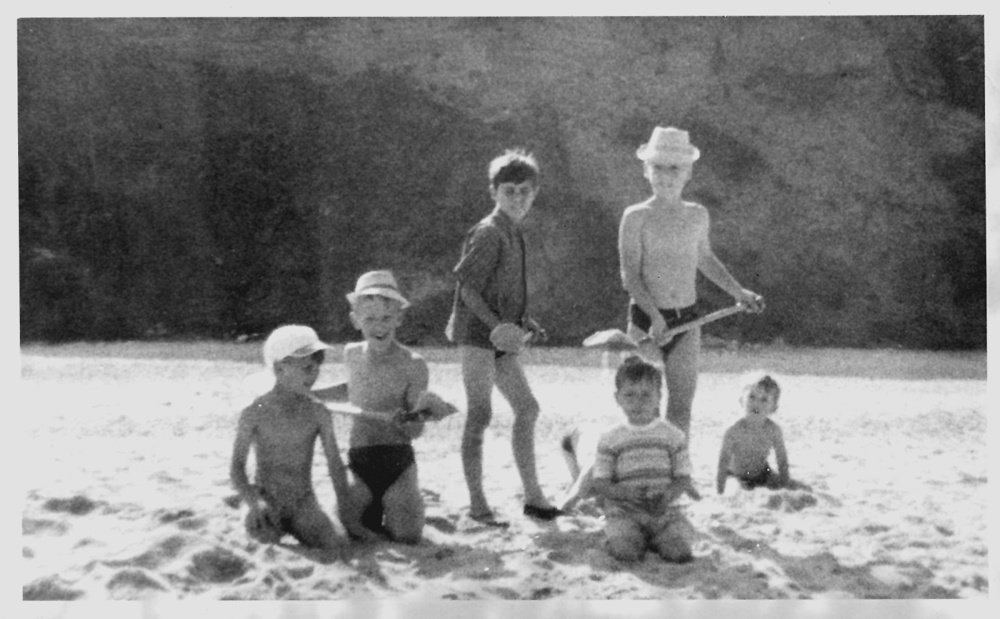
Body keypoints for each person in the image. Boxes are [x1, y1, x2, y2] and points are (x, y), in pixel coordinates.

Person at [618, 126, 765, 440]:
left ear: (688, 173)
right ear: (646, 170)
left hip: (688, 319)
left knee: (682, 407)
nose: (666, 175)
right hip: (646, 322)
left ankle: (677, 472)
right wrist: (655, 318)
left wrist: (739, 292)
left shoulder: (698, 215)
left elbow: (706, 259)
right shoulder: (635, 217)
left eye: (675, 168)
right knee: (645, 409)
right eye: (658, 167)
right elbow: (629, 276)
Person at [445, 149, 560, 526]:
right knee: (479, 414)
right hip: (479, 335)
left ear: (535, 193)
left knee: (527, 409)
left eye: (525, 191)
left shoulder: (515, 232)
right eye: (509, 190)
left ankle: (532, 496)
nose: (517, 198)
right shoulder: (490, 232)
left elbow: (503, 289)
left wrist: (525, 320)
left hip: (503, 336)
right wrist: (497, 326)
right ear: (494, 191)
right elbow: (467, 289)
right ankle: (478, 505)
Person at [316, 270, 450, 543]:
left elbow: (415, 429)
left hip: (397, 460)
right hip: (360, 461)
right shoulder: (351, 354)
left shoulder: (413, 364)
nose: (379, 325)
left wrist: (416, 419)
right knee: (343, 525)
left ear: (399, 318)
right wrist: (311, 394)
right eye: (370, 319)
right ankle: (374, 506)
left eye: (387, 318)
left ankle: (401, 500)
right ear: (356, 320)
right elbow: (351, 389)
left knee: (408, 535)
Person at [229, 324, 361, 557]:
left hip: (303, 502)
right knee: (264, 543)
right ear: (280, 369)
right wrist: (253, 501)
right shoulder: (255, 411)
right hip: (266, 499)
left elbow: (334, 464)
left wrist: (347, 511)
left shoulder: (318, 412)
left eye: (317, 367)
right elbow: (237, 467)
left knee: (337, 543)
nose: (314, 375)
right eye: (307, 368)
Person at [591, 356, 700, 563]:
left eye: (646, 395)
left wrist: (668, 495)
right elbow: (600, 481)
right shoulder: (610, 438)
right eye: (629, 395)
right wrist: (622, 493)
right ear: (618, 398)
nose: (637, 402)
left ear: (659, 397)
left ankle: (658, 539)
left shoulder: (673, 435)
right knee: (625, 552)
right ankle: (634, 540)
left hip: (665, 513)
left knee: (679, 552)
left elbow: (683, 477)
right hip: (625, 511)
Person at [716, 371, 809, 494]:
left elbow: (782, 461)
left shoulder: (773, 430)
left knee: (801, 489)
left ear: (773, 407)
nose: (756, 403)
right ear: (741, 400)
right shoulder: (733, 430)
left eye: (764, 400)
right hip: (735, 476)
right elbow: (722, 464)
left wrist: (784, 486)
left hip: (762, 473)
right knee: (735, 491)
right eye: (751, 397)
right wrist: (719, 492)